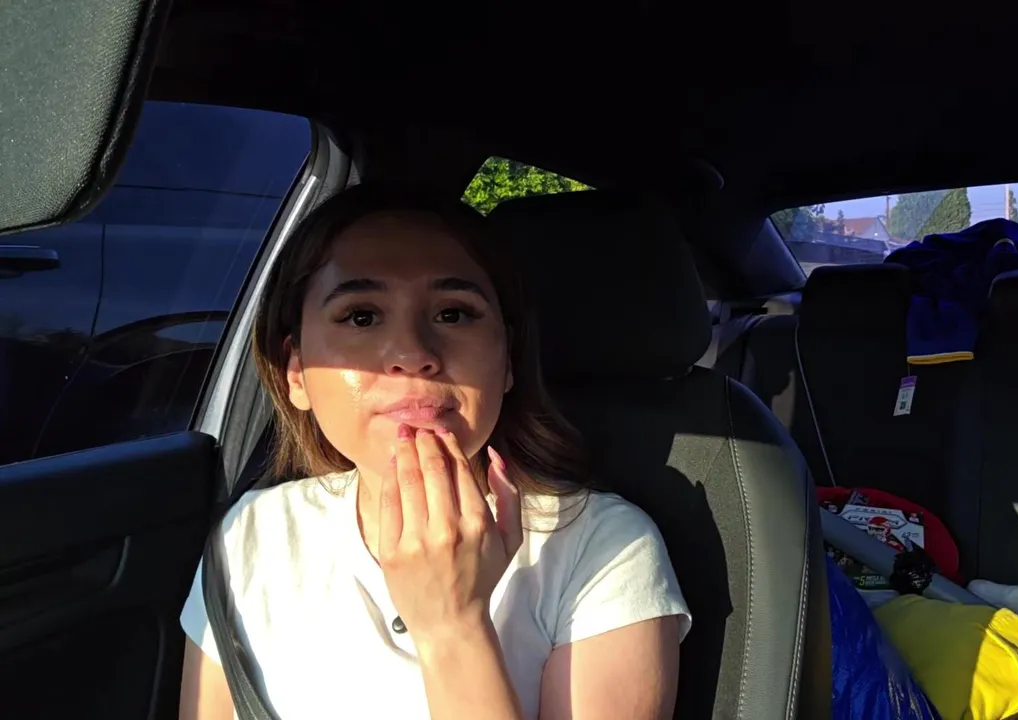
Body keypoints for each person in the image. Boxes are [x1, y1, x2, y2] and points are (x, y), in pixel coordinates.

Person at [178, 185, 691, 719]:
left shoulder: (604, 548)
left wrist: (454, 624)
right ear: (297, 372)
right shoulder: (250, 534)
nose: (412, 354)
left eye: (453, 313)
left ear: (508, 360)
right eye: (361, 316)